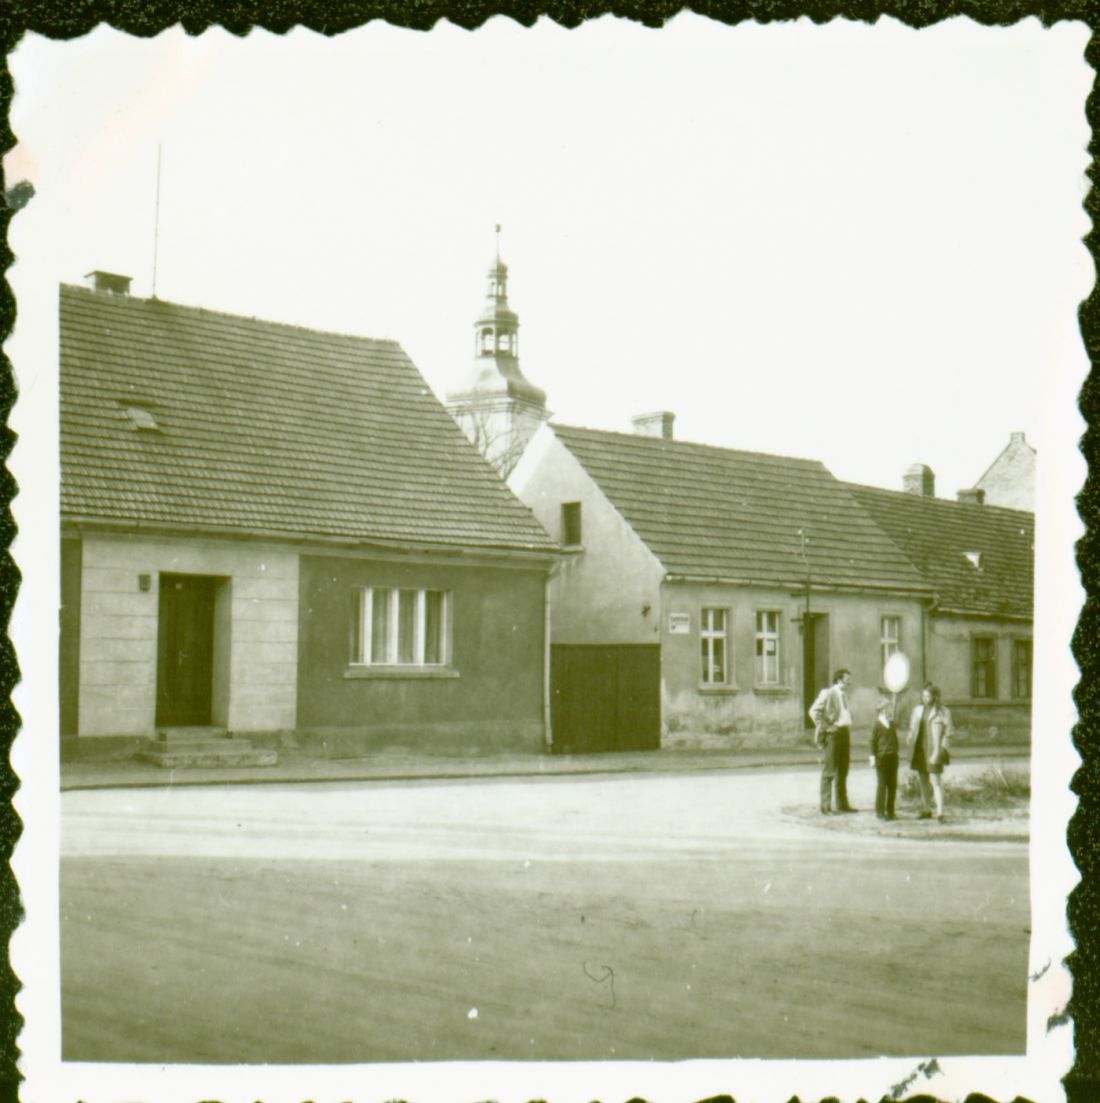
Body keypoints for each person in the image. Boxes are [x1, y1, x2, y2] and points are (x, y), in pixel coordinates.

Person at [809, 668, 855, 814]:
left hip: (844, 733)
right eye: (847, 680)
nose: (849, 683)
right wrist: (826, 727)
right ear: (839, 680)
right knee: (829, 770)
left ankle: (842, 805)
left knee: (843, 770)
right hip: (833, 734)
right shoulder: (828, 693)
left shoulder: (844, 694)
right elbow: (813, 711)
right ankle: (825, 807)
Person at [907, 683, 953, 821]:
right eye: (923, 696)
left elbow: (949, 733)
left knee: (935, 782)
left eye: (927, 696)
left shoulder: (944, 712)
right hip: (920, 750)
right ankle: (926, 810)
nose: (924, 698)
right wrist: (909, 737)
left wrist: (942, 750)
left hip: (934, 750)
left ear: (935, 697)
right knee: (923, 782)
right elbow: (912, 728)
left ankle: (940, 813)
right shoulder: (917, 710)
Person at [869, 689, 899, 820]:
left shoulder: (891, 723)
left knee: (892, 785)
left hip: (893, 757)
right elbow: (872, 741)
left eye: (890, 708)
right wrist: (872, 758)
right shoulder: (877, 725)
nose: (890, 710)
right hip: (881, 758)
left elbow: (894, 739)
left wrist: (895, 751)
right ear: (882, 710)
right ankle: (879, 811)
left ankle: (890, 811)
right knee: (882, 785)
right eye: (888, 708)